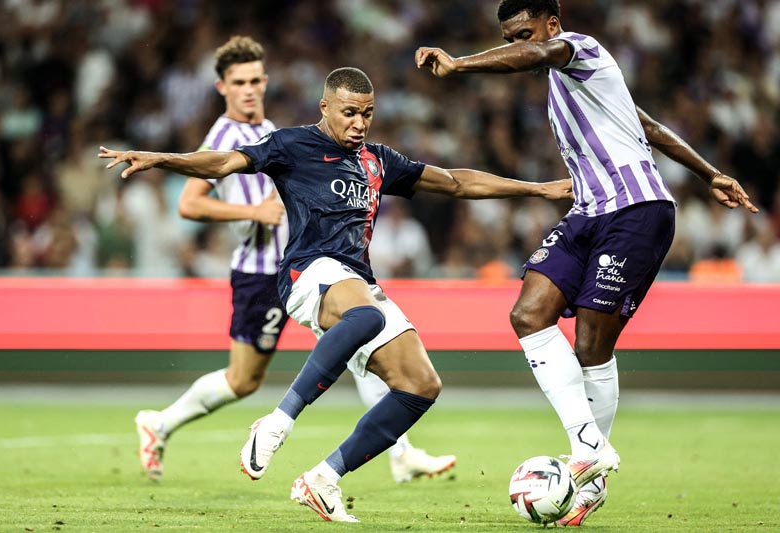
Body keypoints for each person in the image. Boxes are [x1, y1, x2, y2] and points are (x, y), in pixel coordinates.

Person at [101, 66, 572, 522]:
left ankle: (323, 478)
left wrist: (538, 188)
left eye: (367, 113)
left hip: (357, 279)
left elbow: (454, 181)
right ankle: (278, 421)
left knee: (420, 385)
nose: (359, 123)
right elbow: (224, 162)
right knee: (364, 318)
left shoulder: (377, 160)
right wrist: (160, 158)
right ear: (324, 106)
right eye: (349, 112)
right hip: (308, 273)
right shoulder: (292, 145)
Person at [415, 0, 758, 526]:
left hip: (636, 212)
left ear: (552, 24)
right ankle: (589, 446)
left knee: (591, 343)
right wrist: (710, 171)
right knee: (528, 314)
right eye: (510, 37)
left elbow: (543, 54)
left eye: (524, 34)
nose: (519, 46)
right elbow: (648, 126)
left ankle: (590, 476)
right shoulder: (566, 86)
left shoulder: (581, 49)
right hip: (587, 213)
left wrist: (461, 64)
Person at [134, 36, 457, 485]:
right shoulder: (225, 135)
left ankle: (399, 451)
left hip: (313, 264)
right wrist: (252, 211)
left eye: (254, 80)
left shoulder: (276, 129)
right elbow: (190, 204)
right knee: (243, 380)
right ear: (221, 87)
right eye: (238, 82)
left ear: (265, 81)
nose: (248, 90)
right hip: (262, 270)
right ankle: (161, 422)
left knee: (361, 332)